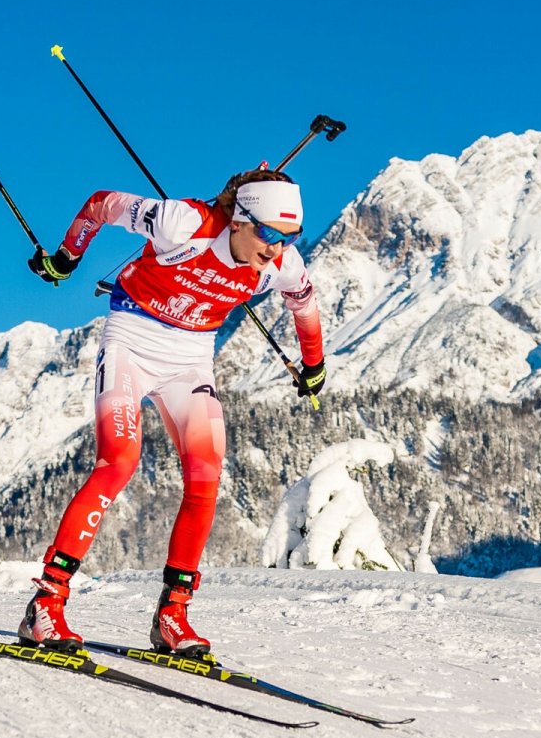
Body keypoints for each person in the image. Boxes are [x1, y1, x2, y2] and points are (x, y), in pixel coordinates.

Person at [17, 169, 326, 657]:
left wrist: (314, 366)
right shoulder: (183, 223)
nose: (277, 248)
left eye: (291, 237)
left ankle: (172, 615)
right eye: (268, 233)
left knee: (205, 477)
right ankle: (45, 604)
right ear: (240, 220)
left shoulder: (281, 264)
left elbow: (305, 308)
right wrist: (65, 258)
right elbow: (101, 203)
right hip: (132, 340)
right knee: (118, 462)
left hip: (190, 359)